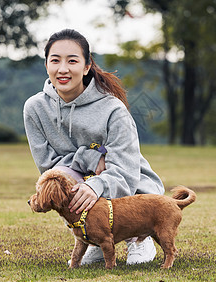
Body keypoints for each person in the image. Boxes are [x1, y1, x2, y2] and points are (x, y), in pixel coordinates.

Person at [23, 29, 164, 266]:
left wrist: (96, 185)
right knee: (60, 178)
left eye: (72, 61)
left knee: (109, 169)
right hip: (82, 184)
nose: (63, 69)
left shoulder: (113, 109)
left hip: (132, 189)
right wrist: (90, 158)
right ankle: (93, 236)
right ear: (46, 64)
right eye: (55, 60)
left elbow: (126, 171)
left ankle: (137, 237)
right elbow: (49, 168)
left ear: (87, 66)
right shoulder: (35, 108)